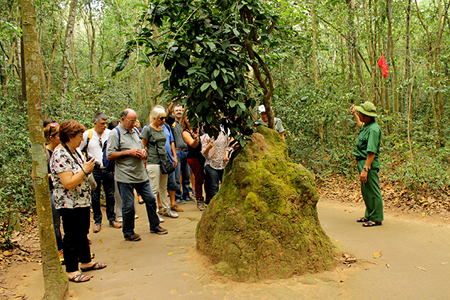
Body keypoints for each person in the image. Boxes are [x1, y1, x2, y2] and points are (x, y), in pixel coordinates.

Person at [50, 120, 107, 283]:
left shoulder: (74, 151)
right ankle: (72, 270)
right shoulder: (60, 154)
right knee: (71, 235)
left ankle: (86, 261)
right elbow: (68, 183)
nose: (82, 140)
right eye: (79, 136)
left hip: (81, 201)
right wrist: (85, 170)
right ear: (69, 136)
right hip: (68, 203)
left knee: (82, 233)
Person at [106, 108, 167, 241]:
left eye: (135, 121)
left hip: (140, 174)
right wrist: (129, 152)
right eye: (131, 121)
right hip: (125, 176)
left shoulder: (134, 131)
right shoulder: (115, 134)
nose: (134, 124)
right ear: (123, 119)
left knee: (150, 199)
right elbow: (109, 155)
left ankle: (154, 225)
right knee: (128, 205)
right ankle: (128, 232)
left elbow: (141, 146)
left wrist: (143, 152)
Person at [80, 113, 121, 233]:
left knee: (110, 194)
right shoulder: (88, 134)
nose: (104, 125)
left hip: (108, 168)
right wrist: (85, 164)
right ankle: (97, 221)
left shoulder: (110, 133)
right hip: (94, 169)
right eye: (102, 123)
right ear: (95, 123)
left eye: (105, 123)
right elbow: (79, 149)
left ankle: (112, 218)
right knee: (95, 196)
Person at [350, 101, 384, 227]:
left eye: (361, 113)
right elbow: (360, 125)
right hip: (362, 162)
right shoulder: (367, 125)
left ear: (367, 115)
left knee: (373, 190)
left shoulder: (374, 129)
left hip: (368, 163)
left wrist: (365, 169)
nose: (359, 114)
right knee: (366, 190)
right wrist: (354, 114)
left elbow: (371, 152)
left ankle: (377, 217)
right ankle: (369, 214)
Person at [142, 106, 179, 218]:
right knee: (154, 188)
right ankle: (155, 213)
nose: (163, 120)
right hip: (153, 161)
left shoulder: (163, 128)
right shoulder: (148, 129)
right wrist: (145, 161)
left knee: (164, 187)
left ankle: (166, 209)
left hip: (164, 161)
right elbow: (143, 145)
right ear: (154, 118)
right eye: (161, 118)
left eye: (164, 118)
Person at [181, 117, 212, 210]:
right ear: (185, 120)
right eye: (187, 117)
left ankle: (209, 198)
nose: (190, 119)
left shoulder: (199, 129)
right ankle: (199, 199)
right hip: (194, 157)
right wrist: (196, 138)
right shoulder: (185, 132)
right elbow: (193, 144)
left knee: (208, 176)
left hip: (203, 156)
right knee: (199, 178)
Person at [44, 122, 63, 261]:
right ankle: (59, 249)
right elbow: (37, 175)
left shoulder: (60, 150)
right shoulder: (44, 153)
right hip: (51, 191)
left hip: (62, 190)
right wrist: (58, 174)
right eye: (59, 136)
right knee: (55, 223)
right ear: (51, 137)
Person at [201, 127, 231, 199]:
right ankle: (215, 205)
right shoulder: (206, 136)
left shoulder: (224, 133)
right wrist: (208, 147)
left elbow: (227, 146)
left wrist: (226, 155)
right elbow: (204, 153)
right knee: (215, 186)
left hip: (223, 164)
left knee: (225, 185)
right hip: (211, 164)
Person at [172, 104, 193, 202]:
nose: (179, 112)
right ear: (173, 113)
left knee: (187, 175)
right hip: (177, 151)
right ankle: (177, 196)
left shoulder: (185, 124)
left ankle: (186, 195)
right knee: (177, 176)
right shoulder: (172, 123)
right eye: (177, 110)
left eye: (180, 110)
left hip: (187, 151)